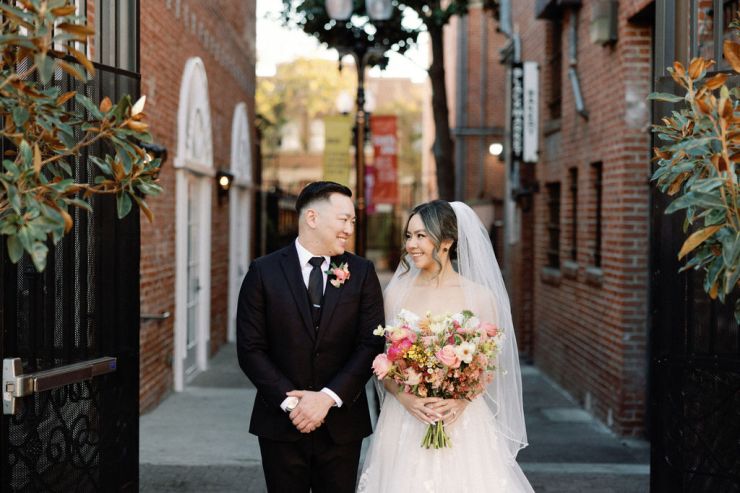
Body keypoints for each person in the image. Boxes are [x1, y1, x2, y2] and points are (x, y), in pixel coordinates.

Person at [358, 200, 533, 492]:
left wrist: (461, 400)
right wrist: (405, 399)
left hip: (461, 421)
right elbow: (383, 365)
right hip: (405, 419)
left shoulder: (480, 296)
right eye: (409, 236)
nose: (411, 245)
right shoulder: (395, 293)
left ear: (447, 241)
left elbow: (488, 366)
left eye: (421, 236)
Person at [237, 181, 385, 493]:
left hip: (342, 425)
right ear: (312, 218)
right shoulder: (263, 271)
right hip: (281, 423)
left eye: (352, 221)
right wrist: (293, 404)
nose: (349, 229)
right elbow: (251, 348)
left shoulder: (361, 272)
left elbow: (370, 343)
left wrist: (327, 398)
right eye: (343, 219)